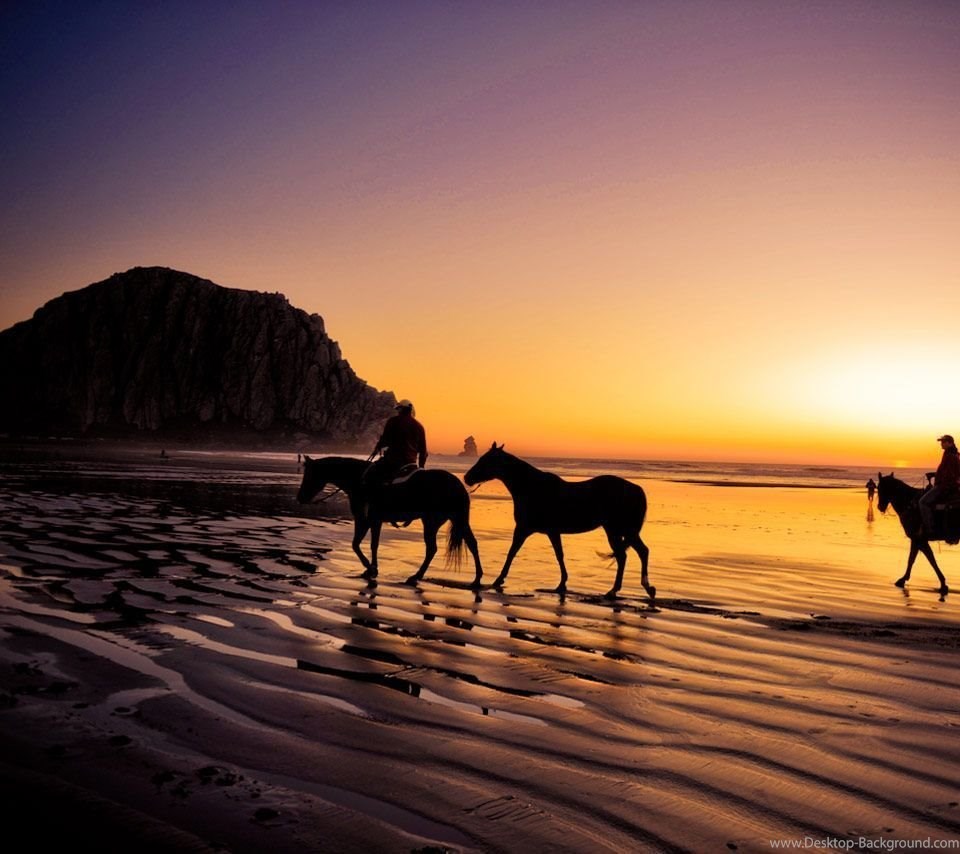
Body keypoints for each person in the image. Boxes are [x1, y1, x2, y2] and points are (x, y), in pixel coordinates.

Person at [364, 399, 428, 487]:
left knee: (370, 476)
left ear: (401, 409)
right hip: (411, 464)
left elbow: (384, 439)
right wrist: (421, 467)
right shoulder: (420, 427)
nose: (397, 411)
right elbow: (423, 452)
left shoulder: (393, 421)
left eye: (398, 409)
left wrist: (377, 448)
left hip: (393, 461)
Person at [918, 434, 960, 536]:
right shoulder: (951, 454)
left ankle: (930, 528)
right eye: (941, 442)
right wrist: (935, 474)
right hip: (945, 484)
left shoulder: (950, 456)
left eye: (943, 442)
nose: (941, 444)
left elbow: (950, 474)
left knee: (922, 502)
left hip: (944, 486)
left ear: (950, 443)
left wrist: (939, 483)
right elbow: (947, 472)